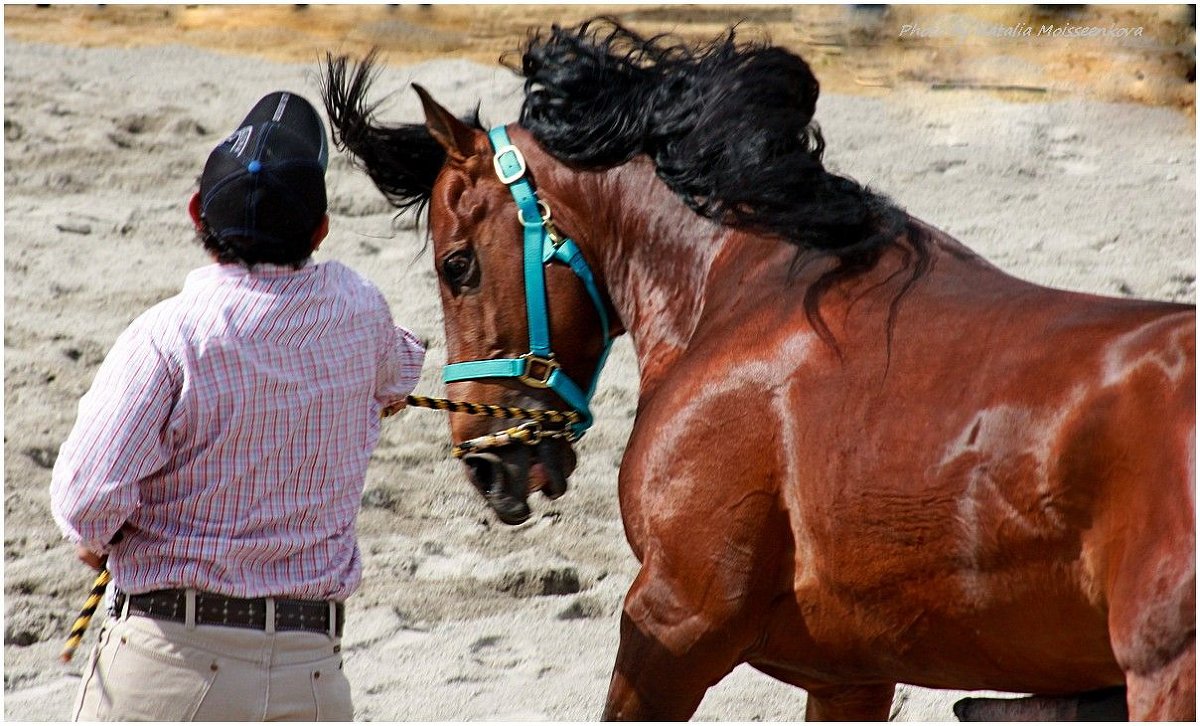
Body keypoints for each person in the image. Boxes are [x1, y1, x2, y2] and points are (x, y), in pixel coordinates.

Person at [49, 90, 426, 721]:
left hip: (169, 662)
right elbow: (400, 372)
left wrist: (100, 539)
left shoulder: (168, 335)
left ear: (197, 211)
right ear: (321, 231)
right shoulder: (361, 311)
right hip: (311, 674)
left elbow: (85, 504)